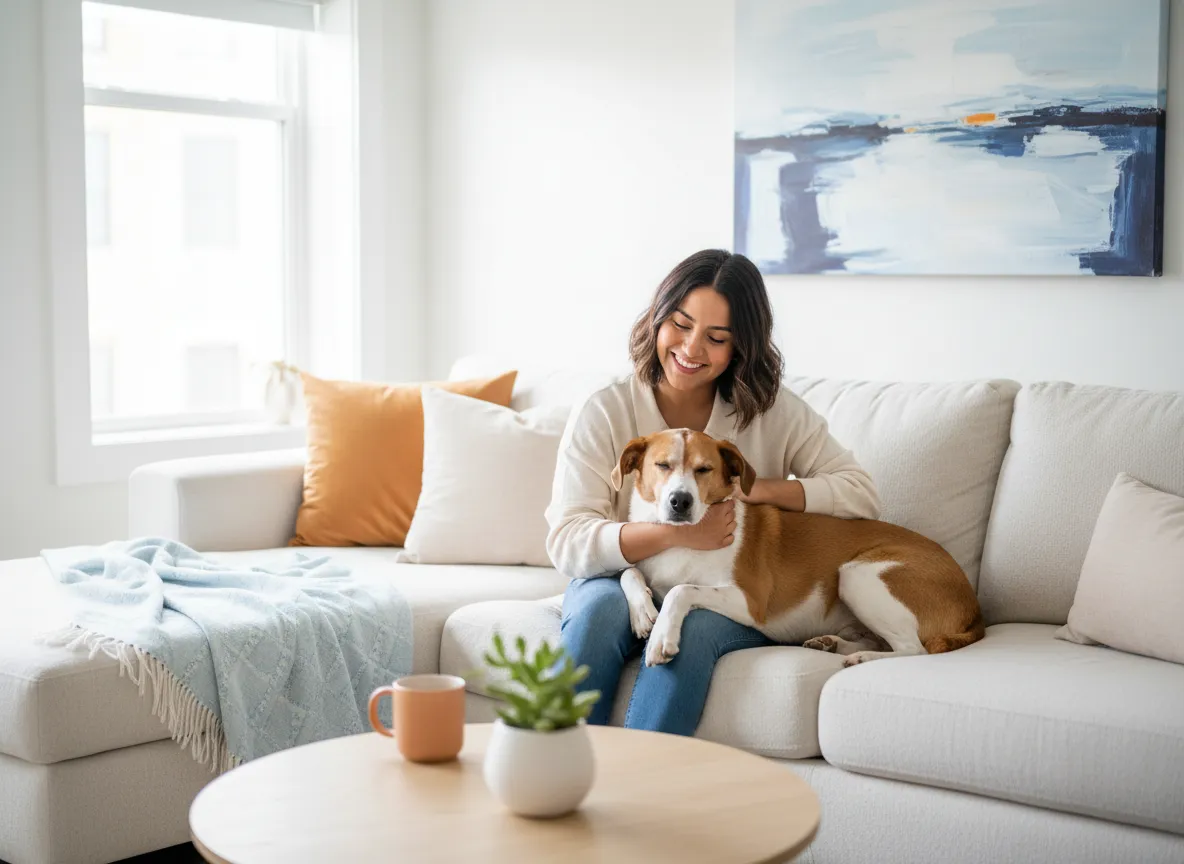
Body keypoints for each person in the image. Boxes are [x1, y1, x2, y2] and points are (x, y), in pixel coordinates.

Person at [545, 249, 882, 735]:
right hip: (618, 574)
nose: (691, 348)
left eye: (716, 337)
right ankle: (561, 764)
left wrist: (753, 490)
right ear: (657, 319)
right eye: (680, 325)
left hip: (719, 585)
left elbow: (859, 492)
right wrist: (675, 534)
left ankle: (648, 772)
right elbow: (567, 541)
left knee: (695, 628)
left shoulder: (772, 411)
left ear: (741, 346)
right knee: (597, 612)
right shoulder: (606, 409)